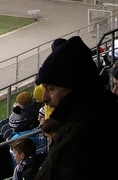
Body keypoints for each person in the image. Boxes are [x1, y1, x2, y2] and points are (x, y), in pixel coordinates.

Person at [33, 35, 118, 179]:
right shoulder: (77, 125)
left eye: (51, 88)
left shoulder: (82, 139)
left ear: (74, 88)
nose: (44, 97)